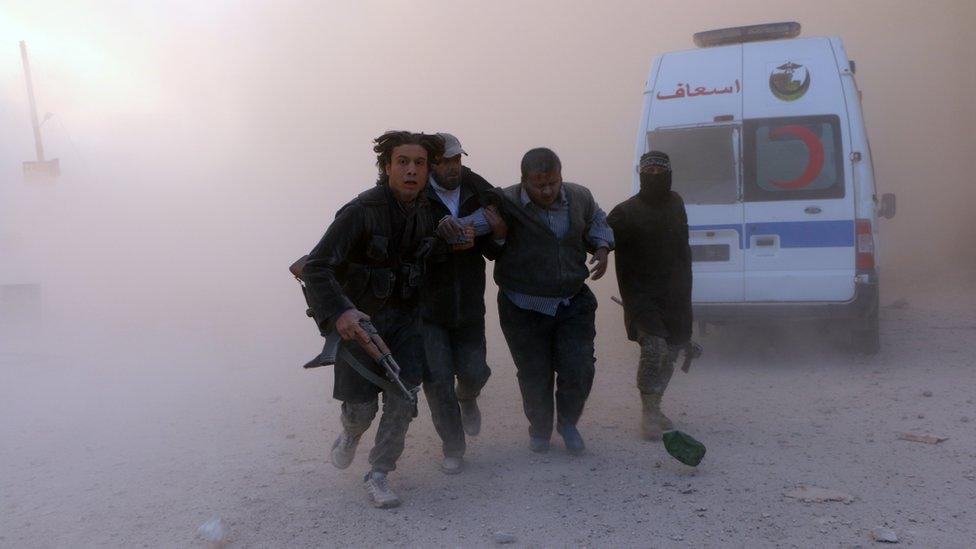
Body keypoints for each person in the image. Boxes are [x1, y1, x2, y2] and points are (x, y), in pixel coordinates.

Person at [301, 130, 444, 509]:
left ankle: (379, 473)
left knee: (404, 398)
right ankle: (350, 434)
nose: (411, 170)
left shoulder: (430, 210)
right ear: (386, 167)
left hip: (408, 322)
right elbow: (316, 267)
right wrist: (341, 312)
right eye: (403, 162)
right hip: (360, 324)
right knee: (360, 410)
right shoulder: (360, 211)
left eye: (419, 164)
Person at [491, 147, 613, 455]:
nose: (547, 190)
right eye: (538, 184)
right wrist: (462, 229)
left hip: (572, 300)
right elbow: (477, 227)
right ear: (524, 182)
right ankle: (540, 429)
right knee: (534, 373)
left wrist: (602, 246)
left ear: (561, 177)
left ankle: (568, 423)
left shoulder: (578, 196)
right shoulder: (504, 202)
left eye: (553, 182)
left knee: (580, 366)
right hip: (522, 305)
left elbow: (597, 218)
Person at [420, 133, 506, 474]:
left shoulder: (478, 193)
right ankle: (453, 447)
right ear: (430, 164)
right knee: (438, 381)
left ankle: (468, 397)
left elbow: (492, 251)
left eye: (456, 160)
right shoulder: (415, 197)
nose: (452, 167)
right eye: (443, 161)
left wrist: (497, 234)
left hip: (469, 305)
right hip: (428, 310)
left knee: (474, 372)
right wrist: (440, 242)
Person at [606, 150, 693, 440]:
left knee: (671, 353)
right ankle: (649, 414)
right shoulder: (625, 212)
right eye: (650, 171)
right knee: (654, 350)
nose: (655, 175)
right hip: (641, 295)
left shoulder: (677, 203)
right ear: (641, 174)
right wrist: (601, 251)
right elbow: (600, 236)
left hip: (677, 294)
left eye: (660, 170)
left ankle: (656, 406)